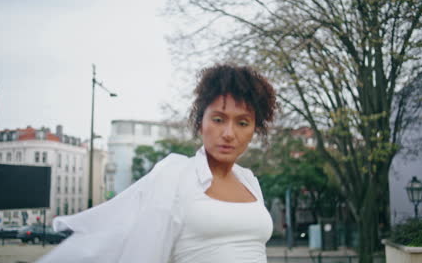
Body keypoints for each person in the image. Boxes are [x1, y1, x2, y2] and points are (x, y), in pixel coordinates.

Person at [37, 64, 277, 263]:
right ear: (200, 121)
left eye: (243, 123)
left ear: (255, 129)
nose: (228, 133)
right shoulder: (175, 175)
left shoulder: (249, 181)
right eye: (218, 119)